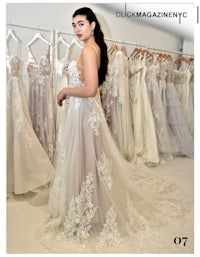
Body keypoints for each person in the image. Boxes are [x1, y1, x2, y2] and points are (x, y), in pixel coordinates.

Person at [36, 7, 193, 253]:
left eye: (81, 24)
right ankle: (87, 208)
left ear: (93, 25)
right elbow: (95, 87)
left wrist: (65, 90)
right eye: (74, 25)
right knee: (89, 161)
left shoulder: (89, 50)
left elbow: (90, 89)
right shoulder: (96, 48)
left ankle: (84, 212)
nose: (77, 29)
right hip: (85, 112)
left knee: (85, 160)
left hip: (83, 111)